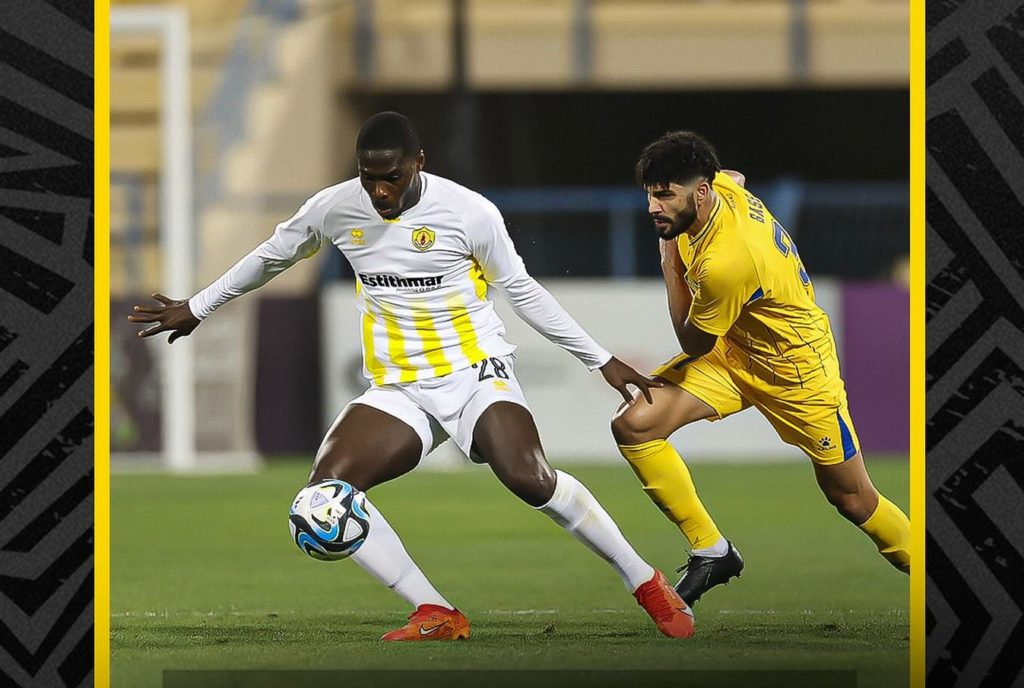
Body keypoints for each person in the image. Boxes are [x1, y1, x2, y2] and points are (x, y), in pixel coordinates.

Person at [128, 112, 695, 641]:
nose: (379, 191)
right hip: (400, 388)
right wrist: (198, 305)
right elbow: (272, 256)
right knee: (321, 501)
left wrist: (599, 358)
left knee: (529, 478)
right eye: (368, 177)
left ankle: (644, 580)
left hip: (475, 373)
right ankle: (436, 611)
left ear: (418, 163)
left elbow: (522, 291)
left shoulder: (468, 212)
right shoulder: (334, 208)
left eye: (391, 178)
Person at [611, 131, 910, 607]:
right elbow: (735, 176)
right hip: (735, 352)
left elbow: (692, 340)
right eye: (650, 194)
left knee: (852, 498)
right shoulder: (718, 188)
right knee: (635, 424)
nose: (653, 207)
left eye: (665, 194)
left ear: (700, 193)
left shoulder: (728, 262)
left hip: (796, 370)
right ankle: (712, 550)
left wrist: (669, 261)